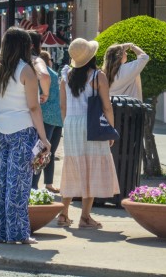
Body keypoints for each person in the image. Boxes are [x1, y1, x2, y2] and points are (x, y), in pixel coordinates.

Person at [0, 28, 50, 244]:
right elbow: (34, 108)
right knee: (19, 184)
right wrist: (44, 138)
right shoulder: (26, 71)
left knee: (0, 182)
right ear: (25, 46)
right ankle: (19, 233)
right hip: (22, 131)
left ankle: (0, 232)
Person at [58, 38, 118, 229]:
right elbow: (107, 106)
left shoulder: (66, 74)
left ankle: (63, 213)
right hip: (91, 123)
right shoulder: (97, 76)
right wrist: (110, 129)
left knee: (73, 167)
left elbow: (63, 105)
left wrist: (68, 123)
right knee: (91, 166)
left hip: (71, 123)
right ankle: (85, 217)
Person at [33, 49, 62, 192]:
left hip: (44, 116)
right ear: (48, 61)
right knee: (50, 152)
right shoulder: (54, 74)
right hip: (57, 117)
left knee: (41, 151)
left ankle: (34, 184)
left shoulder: (38, 74)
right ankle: (49, 183)